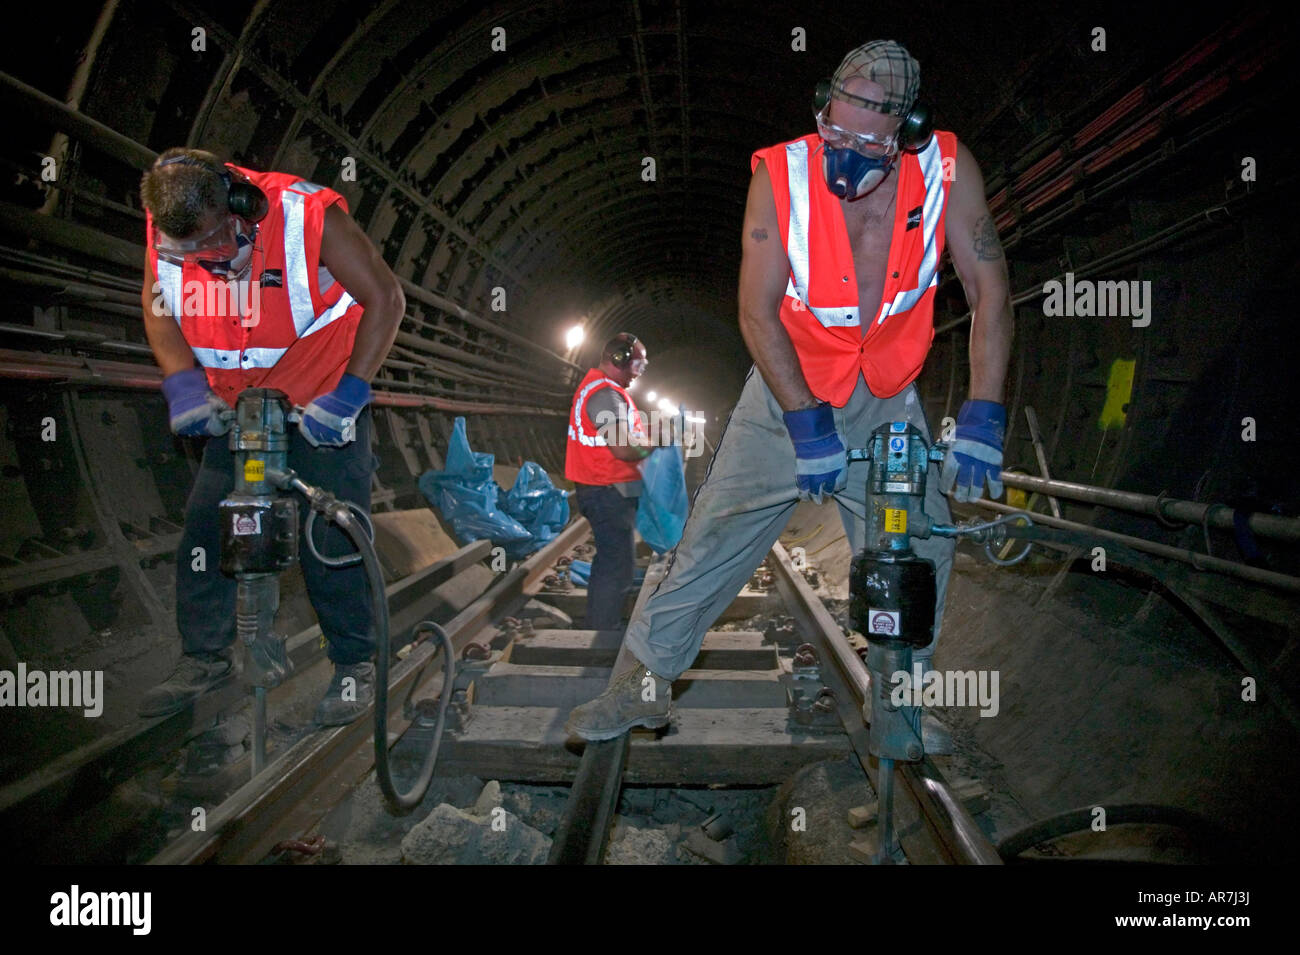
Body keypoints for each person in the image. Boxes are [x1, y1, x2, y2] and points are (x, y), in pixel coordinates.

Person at [565, 40, 1013, 746]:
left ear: (908, 128)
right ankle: (638, 691)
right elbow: (755, 309)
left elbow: (990, 290)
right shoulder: (781, 174)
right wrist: (805, 424)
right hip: (785, 394)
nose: (842, 152)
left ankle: (898, 718)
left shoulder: (947, 169)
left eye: (865, 140)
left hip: (887, 400)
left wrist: (984, 410)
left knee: (919, 549)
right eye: (832, 130)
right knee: (708, 541)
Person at [136, 147, 405, 726]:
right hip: (242, 415)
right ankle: (204, 658)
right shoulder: (168, 222)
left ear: (240, 207)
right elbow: (159, 305)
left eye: (214, 243)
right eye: (191, 253)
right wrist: (182, 384)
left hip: (320, 405)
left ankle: (356, 663)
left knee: (331, 533)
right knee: (210, 525)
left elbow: (386, 299)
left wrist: (350, 395)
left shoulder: (308, 216)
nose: (207, 262)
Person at [564, 333, 672, 629]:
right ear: (619, 360)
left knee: (614, 559)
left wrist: (650, 430)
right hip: (604, 491)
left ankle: (602, 623)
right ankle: (601, 628)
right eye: (637, 365)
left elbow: (625, 432)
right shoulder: (604, 394)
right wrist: (657, 439)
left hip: (606, 487)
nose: (637, 374)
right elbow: (622, 446)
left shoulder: (606, 390)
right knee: (615, 565)